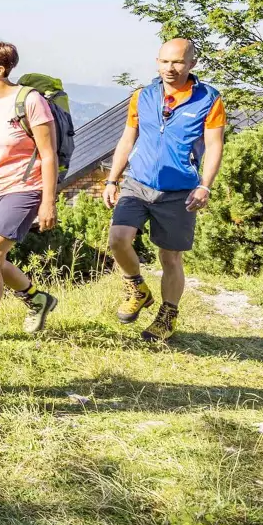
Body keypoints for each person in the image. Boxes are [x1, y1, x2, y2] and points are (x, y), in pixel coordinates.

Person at [103, 38, 227, 342]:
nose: (170, 68)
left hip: (179, 191)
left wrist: (204, 186)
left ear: (192, 64)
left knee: (170, 258)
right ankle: (137, 287)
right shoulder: (143, 96)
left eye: (178, 62)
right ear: (157, 62)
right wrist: (112, 179)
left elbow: (214, 146)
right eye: (164, 62)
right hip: (138, 182)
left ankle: (168, 314)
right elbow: (127, 138)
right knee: (118, 241)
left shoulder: (209, 99)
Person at [0, 40, 59, 339]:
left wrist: (48, 202)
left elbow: (48, 154)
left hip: (24, 189)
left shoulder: (29, 101)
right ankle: (36, 298)